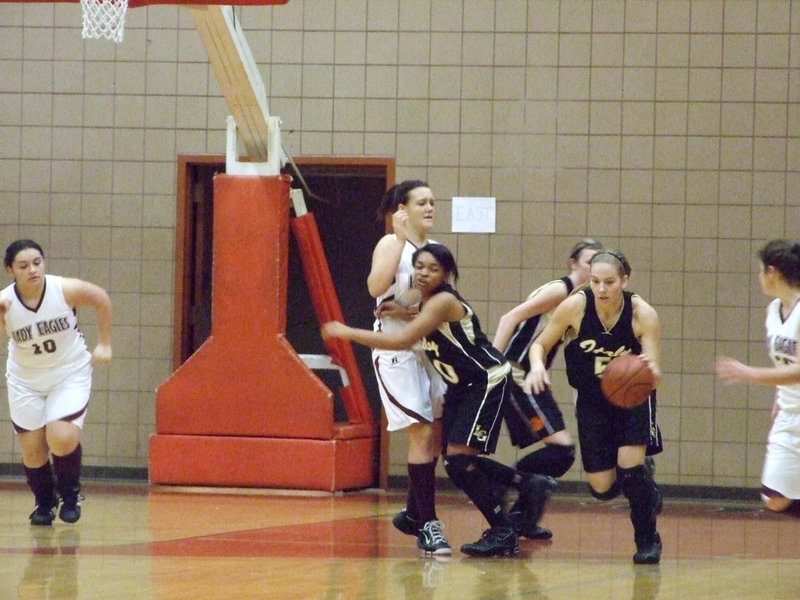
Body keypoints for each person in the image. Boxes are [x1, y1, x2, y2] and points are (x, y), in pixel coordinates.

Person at [324, 243, 555, 557]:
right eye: (419, 266)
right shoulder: (428, 301)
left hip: (486, 379)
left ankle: (504, 529)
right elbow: (422, 320)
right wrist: (402, 311)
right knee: (454, 459)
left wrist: (347, 332)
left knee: (459, 461)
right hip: (463, 385)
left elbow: (402, 340)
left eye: (433, 269)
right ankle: (525, 483)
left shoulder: (443, 300)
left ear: (446, 274)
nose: (424, 273)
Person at [523, 249, 664, 564]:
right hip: (591, 399)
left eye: (609, 282)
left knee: (631, 471)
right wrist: (536, 366)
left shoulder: (643, 314)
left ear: (624, 280)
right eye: (596, 281)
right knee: (601, 488)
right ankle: (644, 487)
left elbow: (655, 373)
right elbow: (540, 344)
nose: (601, 289)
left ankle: (647, 540)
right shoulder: (575, 306)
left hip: (633, 397)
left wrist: (647, 371)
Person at [492, 238, 603, 539]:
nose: (593, 268)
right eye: (588, 261)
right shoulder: (560, 290)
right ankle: (506, 484)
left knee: (562, 452)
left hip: (533, 376)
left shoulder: (581, 302)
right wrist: (489, 367)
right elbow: (509, 318)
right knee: (561, 450)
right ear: (574, 263)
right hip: (515, 374)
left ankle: (522, 516)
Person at [1, 239, 112, 525]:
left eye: (37, 262)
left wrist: (104, 344)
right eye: (24, 266)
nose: (33, 270)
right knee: (33, 451)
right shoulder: (5, 302)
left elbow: (100, 298)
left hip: (68, 373)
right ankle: (44, 502)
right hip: (26, 380)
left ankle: (71, 495)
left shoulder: (63, 289)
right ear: (10, 270)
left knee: (61, 438)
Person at [366, 181, 450, 555]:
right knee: (420, 434)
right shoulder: (391, 244)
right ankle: (429, 526)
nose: (430, 207)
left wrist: (411, 311)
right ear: (402, 209)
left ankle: (414, 514)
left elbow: (435, 306)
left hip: (427, 350)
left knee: (437, 433)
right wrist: (398, 239)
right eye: (422, 202)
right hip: (394, 351)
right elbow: (374, 287)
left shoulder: (431, 253)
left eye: (433, 202)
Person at [716, 239, 800, 513]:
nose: (759, 277)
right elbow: (785, 362)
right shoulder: (773, 311)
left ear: (772, 272)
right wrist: (780, 392)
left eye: (760, 271)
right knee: (775, 498)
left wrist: (748, 373)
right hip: (790, 413)